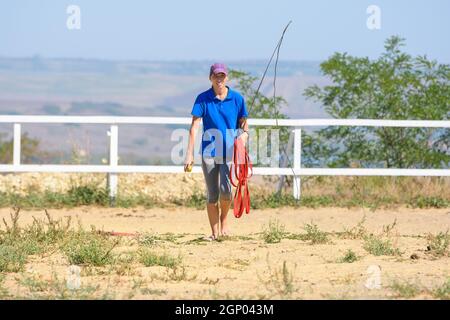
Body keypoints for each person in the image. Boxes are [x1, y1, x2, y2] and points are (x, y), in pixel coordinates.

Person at [184, 63, 249, 241]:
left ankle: (224, 222)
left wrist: (244, 135)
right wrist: (189, 154)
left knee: (226, 191)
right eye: (216, 76)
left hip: (230, 152)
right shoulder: (202, 99)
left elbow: (244, 123)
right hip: (209, 153)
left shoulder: (237, 98)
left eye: (222, 76)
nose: (219, 79)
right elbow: (194, 127)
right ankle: (214, 232)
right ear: (210, 77)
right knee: (213, 194)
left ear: (226, 78)